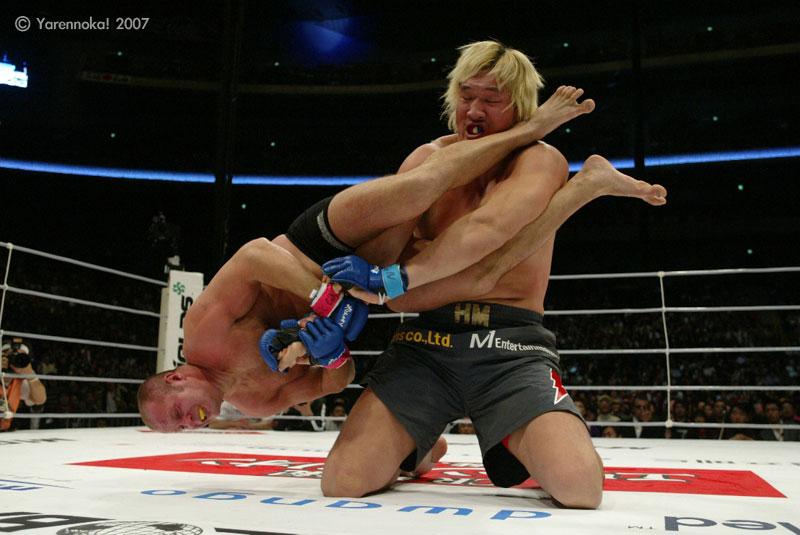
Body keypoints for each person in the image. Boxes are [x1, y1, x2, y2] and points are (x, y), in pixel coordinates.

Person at [137, 79, 606, 434]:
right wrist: (332, 352)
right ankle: (583, 191)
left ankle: (530, 129)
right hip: (361, 289)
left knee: (419, 188)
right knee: (482, 273)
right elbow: (336, 381)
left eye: (177, 413)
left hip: (321, 247)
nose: (188, 423)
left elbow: (255, 255)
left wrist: (322, 300)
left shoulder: (203, 334)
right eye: (177, 429)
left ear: (177, 379)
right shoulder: (257, 403)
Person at [320, 40, 666, 509]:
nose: (474, 110)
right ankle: (420, 449)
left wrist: (400, 279)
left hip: (511, 347)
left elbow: (485, 230)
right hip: (427, 343)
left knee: (579, 487)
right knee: (342, 481)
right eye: (466, 96)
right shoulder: (426, 161)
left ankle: (508, 442)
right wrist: (389, 284)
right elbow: (385, 262)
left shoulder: (540, 160)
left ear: (520, 107)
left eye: (492, 99)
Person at [1, 338, 47, 432]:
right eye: (9, 356)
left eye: (20, 357)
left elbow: (40, 399)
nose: (13, 360)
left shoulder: (19, 382)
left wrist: (30, 374)